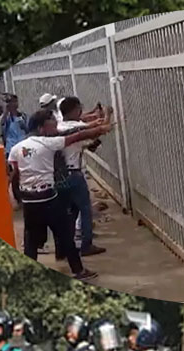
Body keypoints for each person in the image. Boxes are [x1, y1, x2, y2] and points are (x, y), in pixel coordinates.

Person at [8, 109, 111, 280]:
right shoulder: (49, 143)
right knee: (65, 235)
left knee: (31, 239)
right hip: (48, 197)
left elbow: (14, 173)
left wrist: (19, 196)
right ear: (41, 128)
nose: (55, 127)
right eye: (52, 123)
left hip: (30, 200)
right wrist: (99, 130)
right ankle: (78, 271)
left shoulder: (16, 148)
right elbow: (76, 136)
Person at [55, 96, 109, 257]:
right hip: (75, 174)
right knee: (85, 210)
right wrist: (108, 114)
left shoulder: (58, 126)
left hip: (61, 175)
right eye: (79, 108)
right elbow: (100, 132)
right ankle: (86, 245)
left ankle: (65, 246)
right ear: (74, 110)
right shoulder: (78, 127)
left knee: (70, 213)